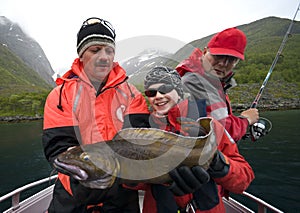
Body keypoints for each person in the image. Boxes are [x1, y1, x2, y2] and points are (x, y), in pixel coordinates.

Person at [42, 17, 150, 213]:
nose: (104, 57)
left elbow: (140, 144)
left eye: (109, 51)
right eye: (95, 50)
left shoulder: (132, 95)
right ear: (81, 54)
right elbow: (58, 149)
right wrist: (89, 180)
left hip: (121, 199)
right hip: (73, 198)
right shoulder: (59, 96)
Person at [133, 66, 255, 212]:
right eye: (151, 92)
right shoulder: (143, 133)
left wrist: (218, 163)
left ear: (178, 92)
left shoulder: (209, 126)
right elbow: (132, 184)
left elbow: (244, 179)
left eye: (165, 89)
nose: (158, 96)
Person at [176, 27, 259, 142]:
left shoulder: (214, 82)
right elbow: (222, 132)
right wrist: (246, 120)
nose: (222, 64)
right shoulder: (194, 81)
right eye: (217, 56)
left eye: (231, 59)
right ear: (205, 52)